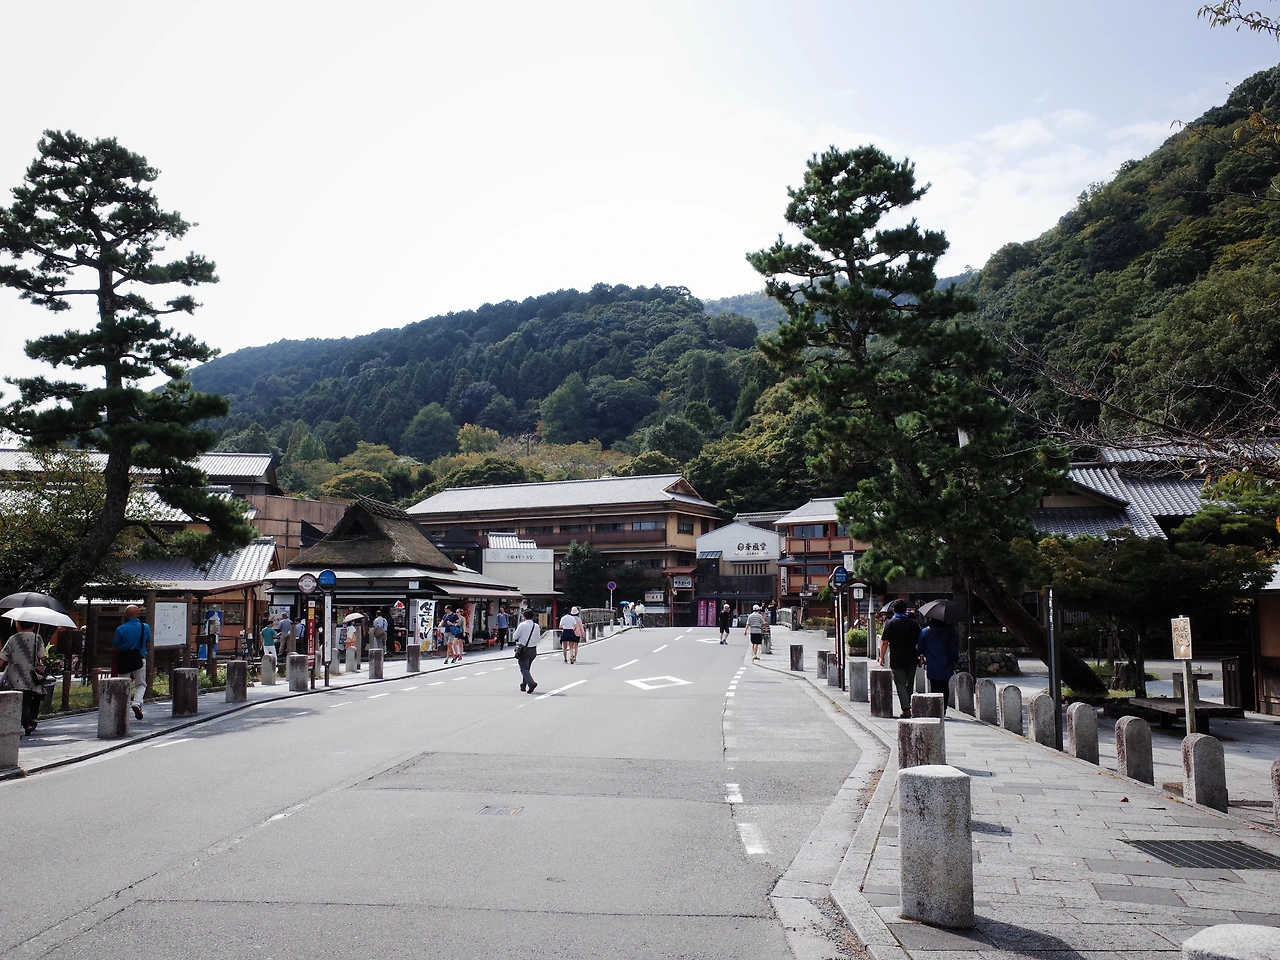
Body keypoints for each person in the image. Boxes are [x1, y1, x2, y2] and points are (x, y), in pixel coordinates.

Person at [0, 618, 47, 735]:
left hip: (14, 676)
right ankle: (24, 726)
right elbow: (42, 655)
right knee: (25, 701)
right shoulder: (37, 638)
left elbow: (3, 657)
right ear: (33, 626)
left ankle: (25, 725)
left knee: (18, 702)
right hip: (30, 676)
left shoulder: (12, 639)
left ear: (18, 625)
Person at [878, 600, 922, 717]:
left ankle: (906, 708)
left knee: (900, 683)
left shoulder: (890, 623)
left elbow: (884, 642)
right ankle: (908, 705)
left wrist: (881, 657)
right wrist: (921, 655)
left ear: (894, 610)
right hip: (912, 657)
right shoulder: (913, 624)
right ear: (905, 610)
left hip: (896, 658)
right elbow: (920, 642)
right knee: (910, 683)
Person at [112, 603, 151, 721]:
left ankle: (122, 707)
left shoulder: (120, 629)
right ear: (138, 614)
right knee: (141, 684)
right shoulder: (145, 627)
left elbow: (115, 646)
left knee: (123, 683)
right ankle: (136, 703)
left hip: (124, 658)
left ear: (126, 615)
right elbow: (149, 645)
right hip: (139, 658)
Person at [918, 618, 960, 695]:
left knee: (934, 685)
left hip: (932, 661)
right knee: (945, 685)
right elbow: (954, 646)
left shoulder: (925, 631)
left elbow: (921, 647)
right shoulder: (949, 631)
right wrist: (955, 659)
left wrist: (921, 657)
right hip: (946, 661)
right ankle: (945, 701)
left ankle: (936, 701)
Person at [512, 607, 539, 694]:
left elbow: (515, 636)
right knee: (527, 668)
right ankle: (523, 685)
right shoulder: (536, 626)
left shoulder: (522, 625)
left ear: (524, 616)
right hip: (533, 649)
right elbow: (538, 638)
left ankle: (531, 683)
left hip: (524, 649)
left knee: (523, 668)